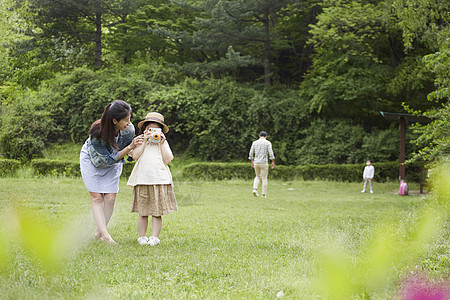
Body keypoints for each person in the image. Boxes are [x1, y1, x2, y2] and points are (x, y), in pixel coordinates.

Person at [80, 100, 144, 244]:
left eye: (129, 119)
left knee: (110, 198)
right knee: (97, 198)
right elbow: (107, 160)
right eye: (125, 120)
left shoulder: (129, 130)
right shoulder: (97, 133)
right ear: (114, 121)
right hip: (93, 161)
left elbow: (127, 153)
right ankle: (106, 236)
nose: (129, 123)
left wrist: (139, 146)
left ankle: (99, 233)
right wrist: (129, 148)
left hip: (115, 159)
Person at [127, 112, 177, 246]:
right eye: (149, 130)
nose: (152, 132)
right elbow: (135, 156)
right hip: (143, 180)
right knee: (143, 212)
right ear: (144, 130)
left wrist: (162, 142)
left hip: (159, 180)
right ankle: (142, 237)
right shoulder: (140, 142)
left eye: (156, 130)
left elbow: (168, 159)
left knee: (157, 212)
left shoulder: (162, 143)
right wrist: (144, 141)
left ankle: (154, 237)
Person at [248, 131, 275, 198]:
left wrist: (252, 161)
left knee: (257, 176)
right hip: (264, 162)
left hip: (256, 162)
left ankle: (254, 189)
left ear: (259, 136)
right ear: (266, 136)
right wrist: (273, 161)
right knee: (264, 178)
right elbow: (271, 153)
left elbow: (251, 153)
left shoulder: (254, 143)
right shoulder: (268, 143)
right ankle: (263, 194)